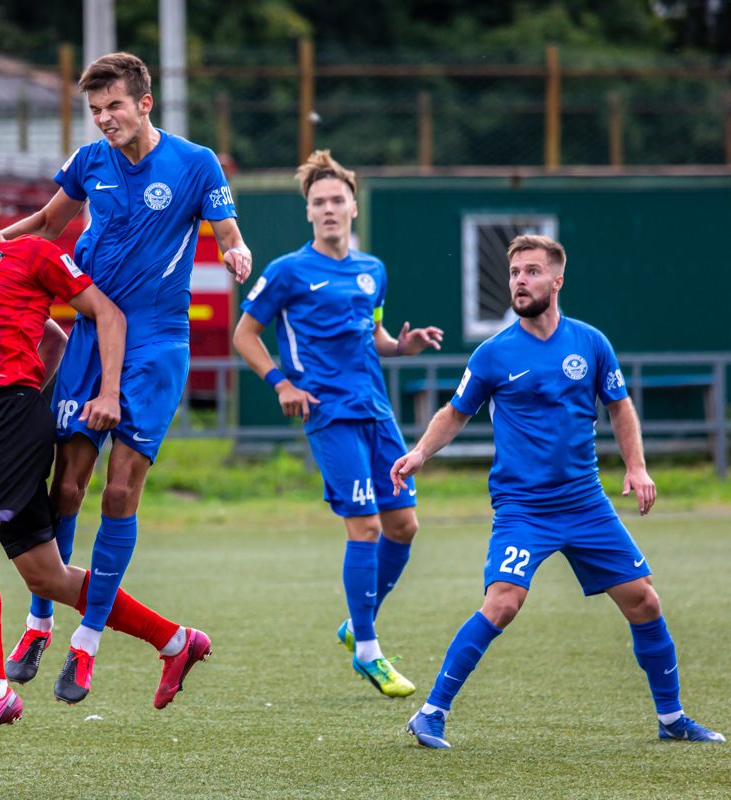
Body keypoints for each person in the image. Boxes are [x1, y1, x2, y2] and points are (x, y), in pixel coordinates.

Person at [394, 234, 724, 748]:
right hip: (523, 507)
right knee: (503, 602)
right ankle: (431, 713)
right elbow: (455, 412)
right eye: (514, 273)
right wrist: (419, 454)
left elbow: (619, 406)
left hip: (586, 503)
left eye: (531, 271)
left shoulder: (590, 343)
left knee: (645, 602)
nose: (519, 281)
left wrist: (636, 468)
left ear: (557, 279)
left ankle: (673, 719)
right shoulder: (494, 353)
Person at [0, 51, 250, 703]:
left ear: (145, 103)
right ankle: (39, 622)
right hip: (89, 335)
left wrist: (235, 249)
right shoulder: (89, 163)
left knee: (118, 493)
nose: (104, 119)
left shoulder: (196, 164)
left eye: (114, 106)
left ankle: (87, 646)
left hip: (157, 344)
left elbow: (227, 230)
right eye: (95, 109)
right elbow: (50, 224)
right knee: (67, 487)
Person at [0, 173, 213, 754]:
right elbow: (53, 340)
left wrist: (102, 393)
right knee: (47, 576)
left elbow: (106, 316)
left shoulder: (33, 252)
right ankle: (175, 641)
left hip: (9, 419)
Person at [232, 151, 443, 699]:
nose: (329, 209)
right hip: (329, 414)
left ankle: (357, 623)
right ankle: (369, 652)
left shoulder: (373, 270)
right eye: (318, 202)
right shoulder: (287, 271)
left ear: (353, 205)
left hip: (376, 411)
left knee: (405, 528)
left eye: (336, 200)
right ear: (308, 212)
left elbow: (373, 338)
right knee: (366, 527)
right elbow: (244, 335)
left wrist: (402, 346)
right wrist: (281, 382)